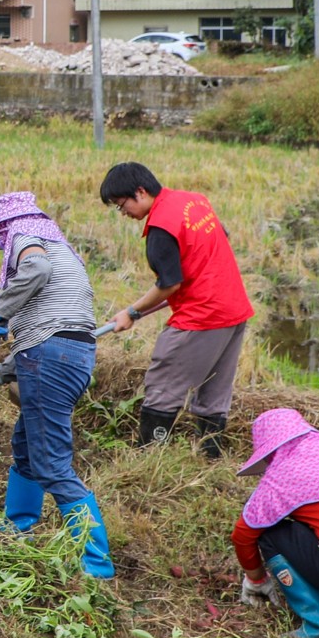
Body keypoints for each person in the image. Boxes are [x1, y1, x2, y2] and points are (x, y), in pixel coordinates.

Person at [0, 192, 114, 578]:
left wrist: (1, 307)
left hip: (51, 357)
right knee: (28, 448)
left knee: (51, 463)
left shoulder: (26, 238)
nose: (2, 244)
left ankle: (96, 564)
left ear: (6, 226)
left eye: (0, 236)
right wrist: (0, 375)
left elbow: (35, 272)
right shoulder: (61, 249)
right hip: (67, 354)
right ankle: (18, 529)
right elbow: (53, 331)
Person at [99, 162, 253, 456]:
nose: (123, 214)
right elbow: (222, 235)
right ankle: (210, 458)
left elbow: (169, 284)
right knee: (214, 389)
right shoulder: (193, 200)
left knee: (163, 382)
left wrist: (131, 313)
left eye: (122, 206)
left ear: (140, 192)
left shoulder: (159, 229)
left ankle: (150, 458)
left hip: (203, 316)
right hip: (234, 309)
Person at [231, 408, 319, 638]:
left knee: (270, 534)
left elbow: (242, 535)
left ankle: (316, 624)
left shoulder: (280, 478)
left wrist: (256, 580)